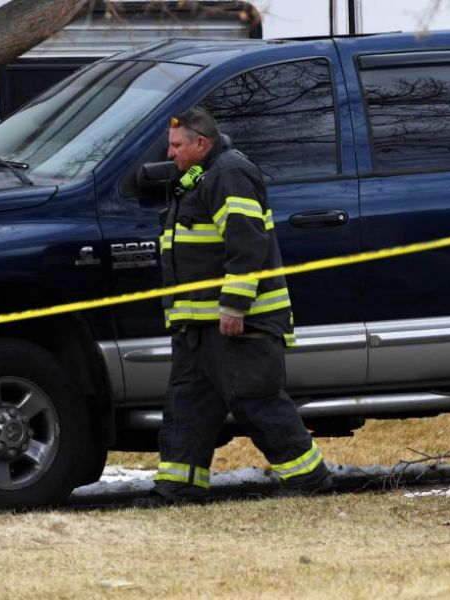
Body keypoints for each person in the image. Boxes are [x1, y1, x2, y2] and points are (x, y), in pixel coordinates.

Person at [137, 107, 330, 506]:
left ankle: (308, 478)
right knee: (187, 406)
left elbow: (247, 245)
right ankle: (179, 487)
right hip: (197, 325)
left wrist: (235, 307)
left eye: (176, 146)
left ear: (200, 144)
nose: (169, 154)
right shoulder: (198, 177)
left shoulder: (229, 174)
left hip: (238, 323)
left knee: (255, 400)